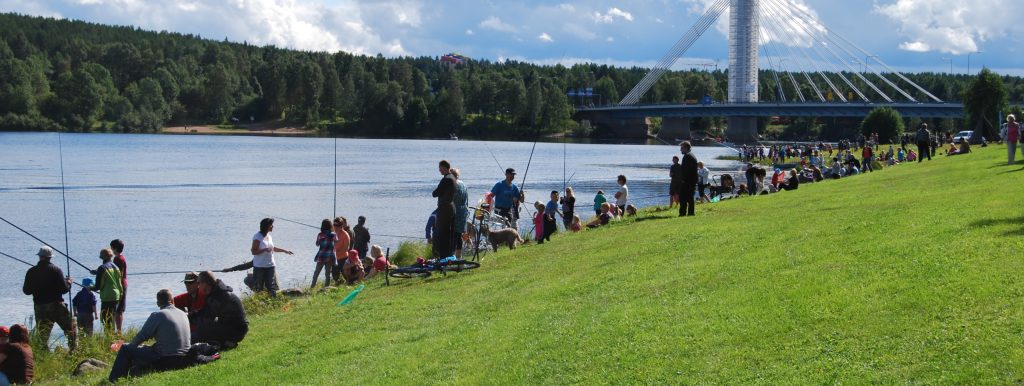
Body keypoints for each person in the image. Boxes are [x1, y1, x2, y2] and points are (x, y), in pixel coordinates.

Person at [108, 289, 190, 383]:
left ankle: (113, 380)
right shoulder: (183, 314)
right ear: (172, 301)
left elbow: (141, 337)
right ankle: (132, 372)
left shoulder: (158, 315)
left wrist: (132, 347)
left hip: (166, 359)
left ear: (158, 303)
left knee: (126, 348)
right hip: (184, 358)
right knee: (148, 348)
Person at [22, 246, 76, 350]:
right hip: (56, 305)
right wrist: (69, 282)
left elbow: (26, 291)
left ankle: (43, 354)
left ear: (39, 256)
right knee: (70, 328)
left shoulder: (31, 271)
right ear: (50, 257)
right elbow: (64, 289)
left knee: (43, 335)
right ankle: (73, 350)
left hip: (40, 307)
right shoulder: (56, 270)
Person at [192, 271, 248, 348]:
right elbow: (205, 311)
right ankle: (223, 341)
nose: (198, 286)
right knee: (204, 324)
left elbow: (207, 315)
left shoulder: (219, 296)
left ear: (205, 284)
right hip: (235, 326)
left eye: (199, 283)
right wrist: (190, 314)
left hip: (237, 330)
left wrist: (191, 318)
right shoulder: (215, 292)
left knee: (202, 327)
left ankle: (226, 342)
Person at [250, 218, 294, 297]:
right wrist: (264, 249)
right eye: (271, 225)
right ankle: (259, 304)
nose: (273, 226)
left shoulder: (269, 236)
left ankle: (273, 302)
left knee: (271, 286)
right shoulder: (257, 237)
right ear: (266, 226)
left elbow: (273, 248)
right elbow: (253, 252)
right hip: (259, 266)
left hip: (270, 265)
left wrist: (285, 251)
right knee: (258, 287)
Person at [89, 248, 123, 334]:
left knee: (106, 321)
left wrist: (90, 288)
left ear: (101, 257)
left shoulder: (102, 268)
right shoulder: (116, 267)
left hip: (107, 297)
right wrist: (97, 272)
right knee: (112, 319)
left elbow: (98, 286)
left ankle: (109, 341)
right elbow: (118, 281)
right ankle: (114, 339)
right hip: (116, 296)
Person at [431, 160, 456, 259]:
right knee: (448, 233)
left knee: (442, 233)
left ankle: (443, 256)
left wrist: (436, 191)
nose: (439, 170)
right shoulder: (453, 177)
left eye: (440, 167)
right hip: (451, 208)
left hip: (445, 209)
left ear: (445, 167)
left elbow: (435, 193)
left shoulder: (446, 179)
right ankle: (448, 254)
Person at [311, 219, 336, 289]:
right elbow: (336, 241)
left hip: (321, 256)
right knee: (327, 274)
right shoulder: (333, 235)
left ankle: (312, 287)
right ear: (331, 226)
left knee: (316, 273)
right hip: (330, 257)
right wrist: (332, 232)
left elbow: (317, 244)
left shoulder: (320, 235)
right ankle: (326, 288)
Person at [110, 239, 127, 335]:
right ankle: (119, 331)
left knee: (118, 310)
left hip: (120, 285)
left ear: (115, 248)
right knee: (119, 309)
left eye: (111, 247)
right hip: (123, 284)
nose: (111, 249)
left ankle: (119, 331)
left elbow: (116, 273)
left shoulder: (117, 259)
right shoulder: (121, 257)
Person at [451, 168, 470, 259]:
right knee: (459, 234)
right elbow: (466, 199)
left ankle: (454, 257)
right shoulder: (463, 184)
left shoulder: (452, 185)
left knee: (454, 235)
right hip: (463, 211)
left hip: (455, 212)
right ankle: (459, 256)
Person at [679, 141, 698, 217]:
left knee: (683, 198)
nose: (680, 150)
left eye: (682, 148)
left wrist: (682, 180)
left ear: (686, 148)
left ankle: (683, 213)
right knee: (690, 198)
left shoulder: (687, 156)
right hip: (692, 181)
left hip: (687, 182)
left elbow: (685, 170)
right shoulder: (692, 156)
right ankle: (691, 213)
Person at [332, 217, 352, 286]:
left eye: (337, 226)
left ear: (341, 226)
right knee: (334, 273)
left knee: (344, 273)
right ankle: (337, 284)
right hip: (334, 257)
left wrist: (336, 252)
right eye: (334, 225)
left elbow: (346, 248)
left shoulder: (345, 235)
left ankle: (348, 283)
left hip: (343, 258)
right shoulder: (332, 233)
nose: (335, 227)